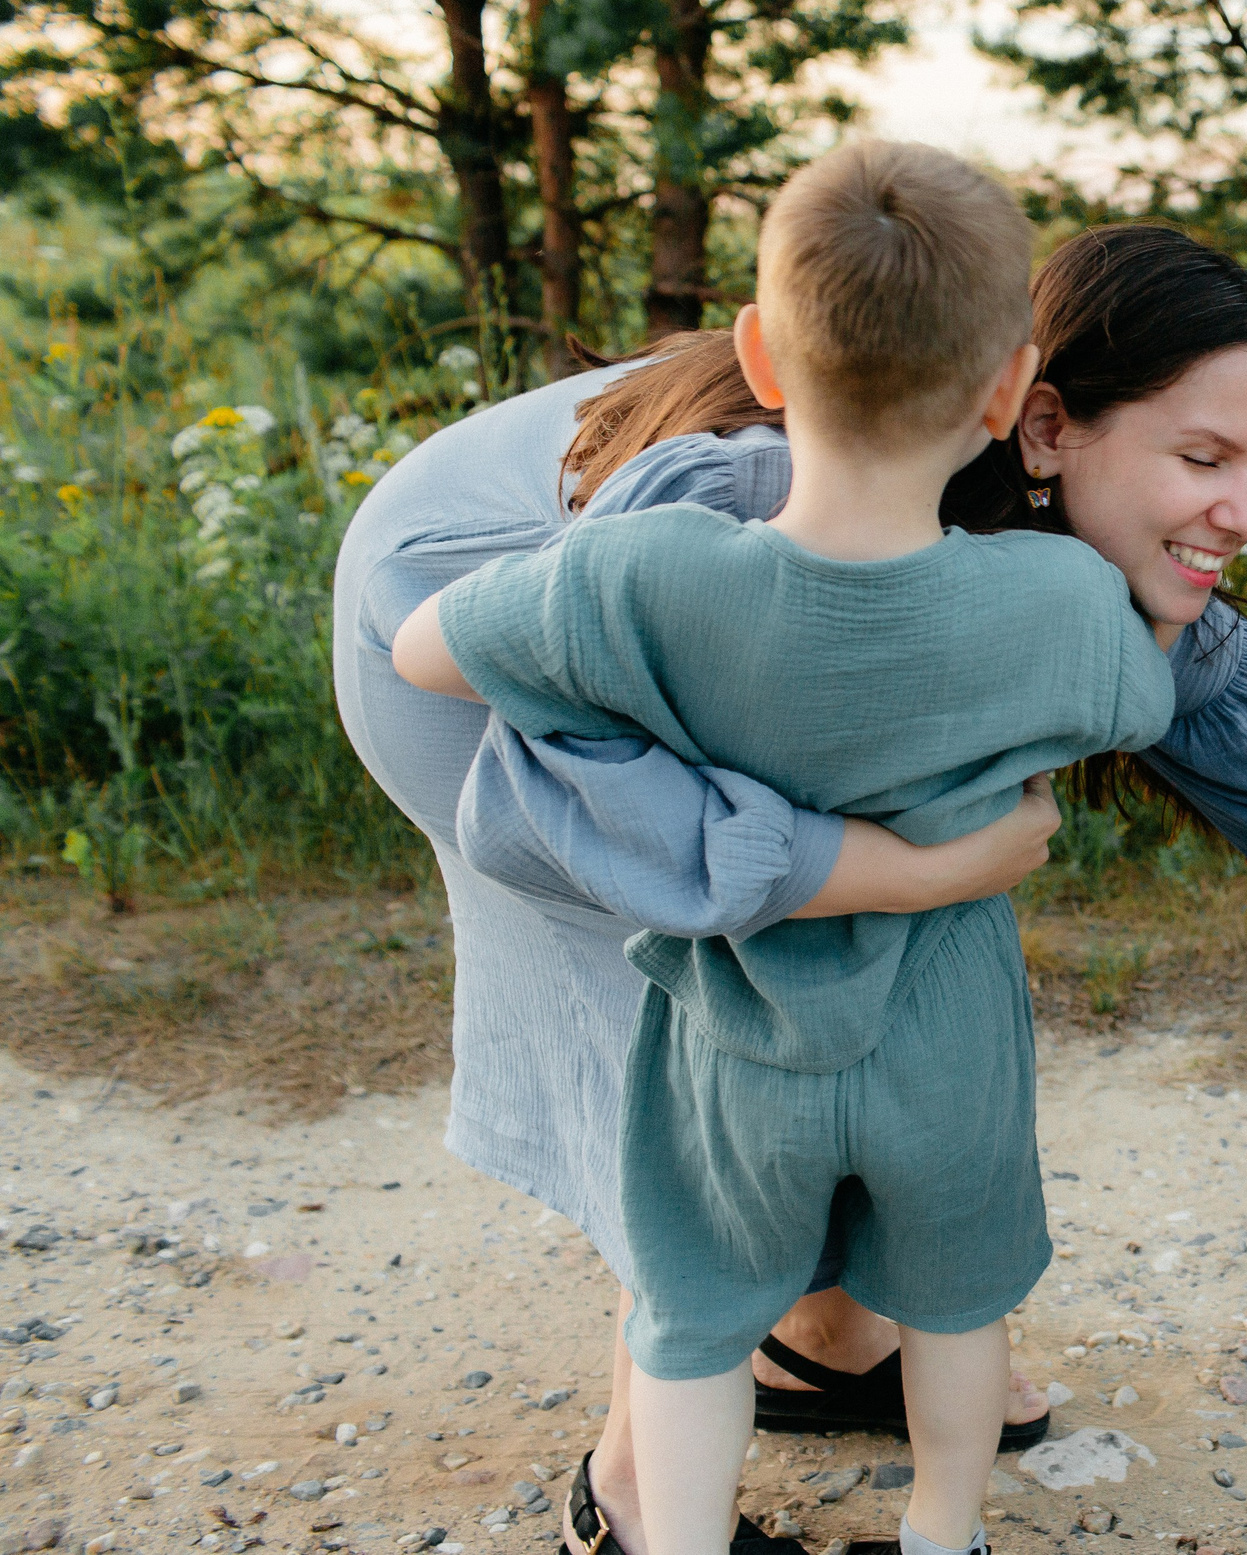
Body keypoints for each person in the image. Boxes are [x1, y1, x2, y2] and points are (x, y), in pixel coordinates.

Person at [330, 219, 1247, 1555]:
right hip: (456, 611)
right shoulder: (776, 498)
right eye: (1201, 457)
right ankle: (639, 1491)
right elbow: (606, 781)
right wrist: (897, 866)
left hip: (575, 612)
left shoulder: (1136, 610)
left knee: (865, 971)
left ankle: (825, 1339)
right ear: (1043, 422)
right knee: (714, 1018)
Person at [397, 142, 1171, 1555]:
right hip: (950, 1034)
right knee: (953, 1291)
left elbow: (424, 646)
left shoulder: (655, 572)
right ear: (1008, 389)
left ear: (758, 354)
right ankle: (945, 1530)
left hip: (735, 1029)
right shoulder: (1059, 596)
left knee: (691, 1309)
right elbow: (1142, 697)